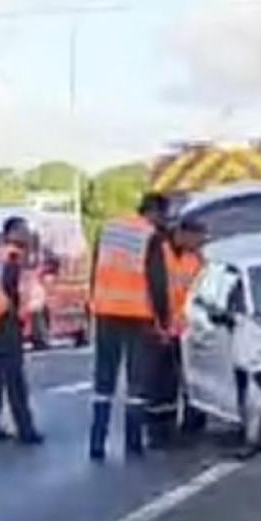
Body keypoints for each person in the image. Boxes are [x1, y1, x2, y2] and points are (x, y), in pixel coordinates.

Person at [88, 193, 172, 461]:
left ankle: (97, 443)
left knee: (104, 381)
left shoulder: (108, 229)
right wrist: (164, 322)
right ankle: (133, 444)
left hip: (105, 312)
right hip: (138, 315)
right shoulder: (150, 236)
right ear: (155, 212)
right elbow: (157, 283)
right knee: (137, 383)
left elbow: (95, 269)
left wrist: (94, 303)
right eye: (163, 216)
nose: (164, 222)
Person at [0, 216, 43, 445]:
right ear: (12, 233)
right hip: (7, 320)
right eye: (23, 230)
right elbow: (11, 288)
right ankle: (25, 429)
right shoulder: (12, 257)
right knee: (15, 379)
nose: (27, 235)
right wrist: (19, 313)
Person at [145, 218, 205, 449]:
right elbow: (156, 288)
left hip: (188, 329)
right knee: (161, 384)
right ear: (183, 233)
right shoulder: (160, 250)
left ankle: (191, 425)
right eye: (197, 239)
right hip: (161, 327)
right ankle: (158, 432)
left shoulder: (196, 258)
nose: (200, 244)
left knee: (190, 379)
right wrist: (160, 324)